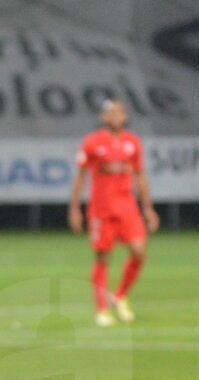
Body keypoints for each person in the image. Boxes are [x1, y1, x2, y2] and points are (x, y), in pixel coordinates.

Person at [68, 100, 159, 327]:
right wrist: (74, 209)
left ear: (125, 117)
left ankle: (118, 295)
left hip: (127, 206)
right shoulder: (92, 142)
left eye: (120, 112)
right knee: (103, 256)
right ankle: (101, 309)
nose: (116, 116)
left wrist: (147, 208)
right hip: (101, 209)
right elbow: (80, 175)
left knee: (139, 252)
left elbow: (140, 175)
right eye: (111, 113)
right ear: (104, 117)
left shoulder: (133, 143)